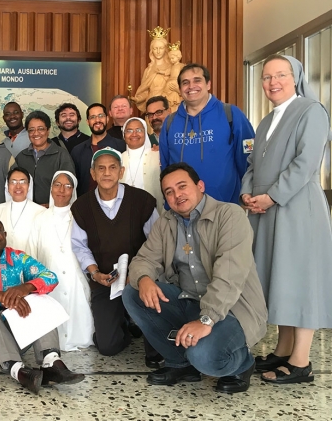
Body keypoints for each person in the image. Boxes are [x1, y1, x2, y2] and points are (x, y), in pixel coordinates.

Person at [122, 162, 267, 394]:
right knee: (133, 293)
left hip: (232, 309)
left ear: (200, 185)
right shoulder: (166, 223)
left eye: (182, 186)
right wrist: (144, 279)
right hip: (190, 302)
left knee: (204, 356)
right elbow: (143, 260)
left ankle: (243, 363)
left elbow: (229, 276)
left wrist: (206, 320)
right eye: (169, 192)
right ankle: (180, 364)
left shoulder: (230, 215)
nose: (176, 195)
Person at [240, 55, 332, 385]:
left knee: (301, 279)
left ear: (296, 78)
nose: (272, 82)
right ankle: (283, 348)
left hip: (296, 207)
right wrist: (247, 193)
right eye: (266, 77)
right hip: (265, 209)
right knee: (280, 279)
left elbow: (306, 163)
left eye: (281, 75)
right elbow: (252, 164)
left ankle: (301, 361)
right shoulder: (265, 122)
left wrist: (272, 195)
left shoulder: (311, 111)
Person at [0, 216, 84, 394]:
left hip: (18, 338)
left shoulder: (18, 258)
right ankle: (18, 370)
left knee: (38, 294)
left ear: (5, 234)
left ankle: (51, 362)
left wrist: (26, 287)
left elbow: (50, 277)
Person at [71, 147, 160, 361]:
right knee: (108, 346)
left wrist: (138, 274)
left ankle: (141, 326)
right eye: (100, 168)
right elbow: (80, 246)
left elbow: (156, 244)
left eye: (112, 168)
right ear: (93, 174)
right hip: (105, 281)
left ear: (121, 171)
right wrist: (95, 273)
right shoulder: (82, 206)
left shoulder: (142, 201)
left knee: (155, 352)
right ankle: (124, 323)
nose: (107, 173)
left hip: (139, 278)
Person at [159, 63, 255, 204]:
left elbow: (248, 158)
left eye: (197, 80)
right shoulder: (170, 122)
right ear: (180, 89)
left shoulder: (231, 114)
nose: (191, 86)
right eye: (185, 83)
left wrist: (247, 192)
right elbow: (165, 167)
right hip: (182, 211)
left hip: (225, 207)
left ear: (208, 84)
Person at [27, 171, 93, 351]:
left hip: (75, 277)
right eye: (57, 184)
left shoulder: (80, 217)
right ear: (51, 188)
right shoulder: (40, 218)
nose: (61, 190)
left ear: (73, 191)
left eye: (67, 186)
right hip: (48, 277)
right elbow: (32, 252)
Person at [15, 111, 75, 206]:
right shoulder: (21, 157)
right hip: (26, 213)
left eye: (40, 129)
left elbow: (68, 187)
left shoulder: (61, 155)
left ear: (48, 130)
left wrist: (49, 206)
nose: (36, 133)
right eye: (31, 130)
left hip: (52, 212)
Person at [71, 103, 126, 197]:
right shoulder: (78, 150)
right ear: (88, 122)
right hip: (86, 204)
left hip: (116, 202)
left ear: (107, 119)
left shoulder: (121, 146)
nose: (97, 120)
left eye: (101, 116)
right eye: (93, 117)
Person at [0, 168, 46, 253]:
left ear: (29, 186)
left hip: (30, 263)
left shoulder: (41, 212)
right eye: (13, 182)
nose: (18, 186)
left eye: (23, 182)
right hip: (3, 264)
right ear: (7, 186)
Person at [120, 117, 164, 213]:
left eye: (139, 130)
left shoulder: (158, 155)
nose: (134, 134)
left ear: (145, 133)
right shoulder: (119, 159)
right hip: (125, 213)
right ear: (124, 135)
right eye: (129, 130)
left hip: (154, 213)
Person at [131, 31, 172, 114]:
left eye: (161, 48)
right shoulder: (148, 70)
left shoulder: (171, 68)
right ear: (151, 50)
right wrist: (137, 99)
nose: (158, 51)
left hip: (168, 104)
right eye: (155, 48)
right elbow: (145, 91)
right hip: (151, 105)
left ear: (165, 49)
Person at [164, 44, 185, 112]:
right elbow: (166, 73)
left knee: (175, 102)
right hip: (170, 84)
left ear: (178, 57)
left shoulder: (180, 65)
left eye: (173, 58)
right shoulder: (171, 67)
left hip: (176, 83)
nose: (171, 60)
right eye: (170, 58)